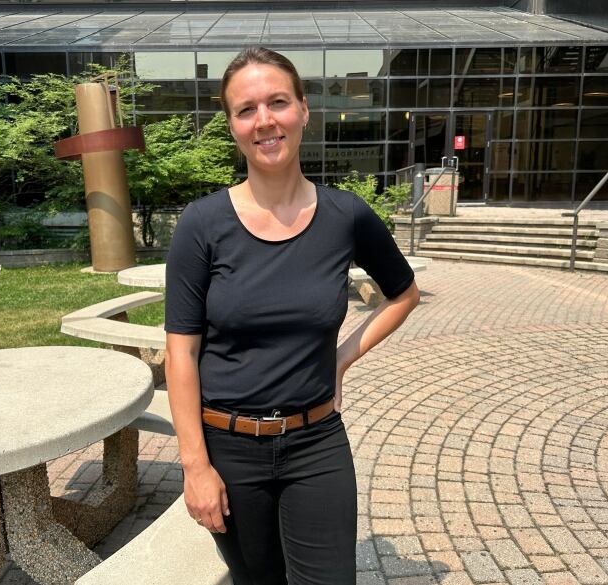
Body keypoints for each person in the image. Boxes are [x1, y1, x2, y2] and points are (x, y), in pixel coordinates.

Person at [164, 47, 420, 585]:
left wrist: (342, 358)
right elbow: (181, 353)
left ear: (304, 109)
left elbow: (404, 294)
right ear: (232, 125)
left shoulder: (345, 216)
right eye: (246, 109)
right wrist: (195, 467)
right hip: (228, 447)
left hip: (316, 444)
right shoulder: (202, 225)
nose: (265, 121)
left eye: (277, 102)